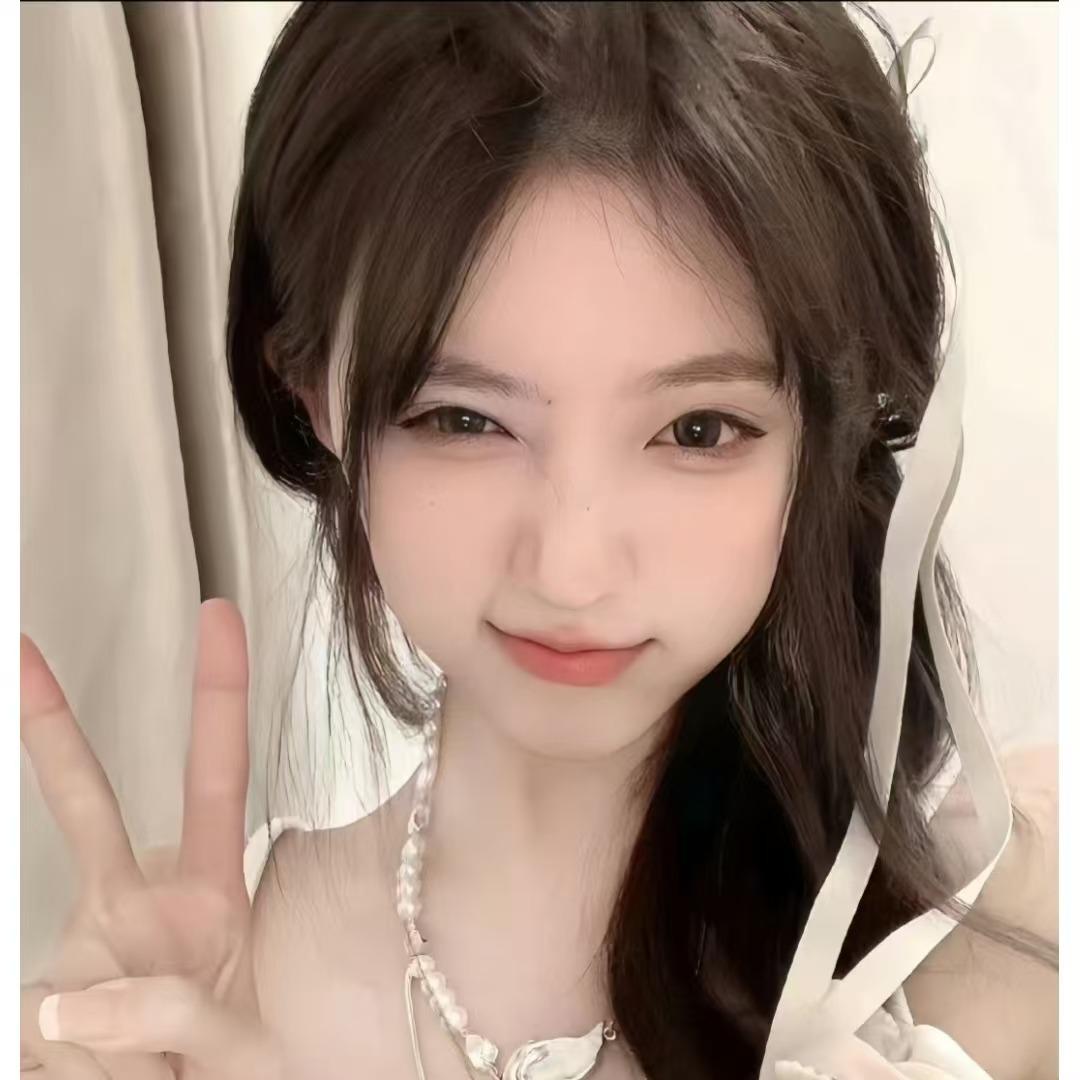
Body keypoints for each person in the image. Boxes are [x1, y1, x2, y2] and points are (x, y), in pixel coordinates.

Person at [20, 3, 1058, 1079]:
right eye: (465, 420)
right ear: (312, 389)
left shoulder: (1003, 954)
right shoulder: (193, 1004)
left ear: (828, 429)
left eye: (698, 431)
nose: (570, 569)